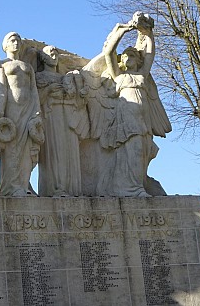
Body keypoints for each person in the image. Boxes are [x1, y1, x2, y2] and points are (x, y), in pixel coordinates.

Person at [98, 12, 171, 197]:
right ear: (121, 61)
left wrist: (148, 33)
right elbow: (108, 52)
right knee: (133, 151)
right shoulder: (119, 77)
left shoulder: (141, 76)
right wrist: (123, 29)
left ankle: (137, 185)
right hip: (127, 120)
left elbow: (150, 54)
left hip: (143, 120)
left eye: (132, 56)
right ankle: (133, 189)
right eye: (125, 57)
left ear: (137, 60)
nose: (128, 59)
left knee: (143, 152)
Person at [0, 32, 42, 197]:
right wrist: (0, 111)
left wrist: (37, 111)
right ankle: (11, 187)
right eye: (12, 40)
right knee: (12, 148)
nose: (16, 43)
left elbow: (34, 90)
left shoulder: (27, 67)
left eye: (18, 40)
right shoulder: (2, 65)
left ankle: (25, 184)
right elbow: (1, 89)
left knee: (27, 149)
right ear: (5, 45)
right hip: (12, 109)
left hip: (28, 108)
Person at [36, 45, 87, 197]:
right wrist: (49, 90)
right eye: (51, 53)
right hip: (52, 116)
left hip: (69, 116)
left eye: (56, 53)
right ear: (43, 58)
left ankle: (73, 190)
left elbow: (79, 104)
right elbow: (35, 101)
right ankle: (56, 188)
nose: (54, 56)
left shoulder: (65, 78)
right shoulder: (39, 77)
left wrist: (82, 95)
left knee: (71, 150)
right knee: (56, 150)